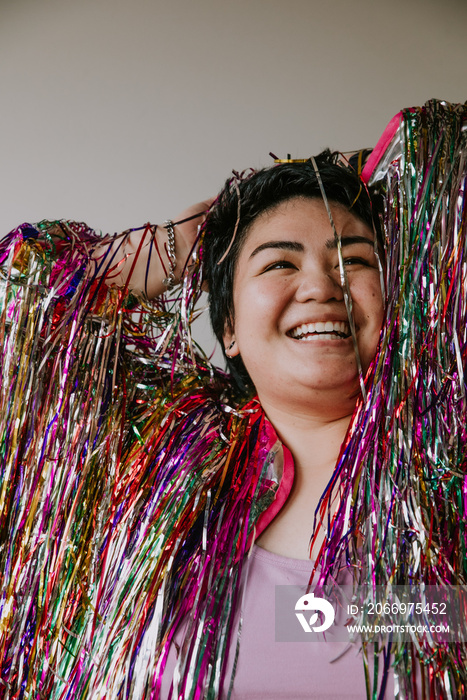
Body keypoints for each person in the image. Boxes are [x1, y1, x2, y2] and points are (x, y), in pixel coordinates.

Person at [0, 99, 466, 699]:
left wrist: (403, 178)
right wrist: (177, 245)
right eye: (278, 263)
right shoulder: (156, 465)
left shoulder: (442, 465)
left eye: (353, 260)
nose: (323, 287)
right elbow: (24, 288)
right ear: (229, 329)